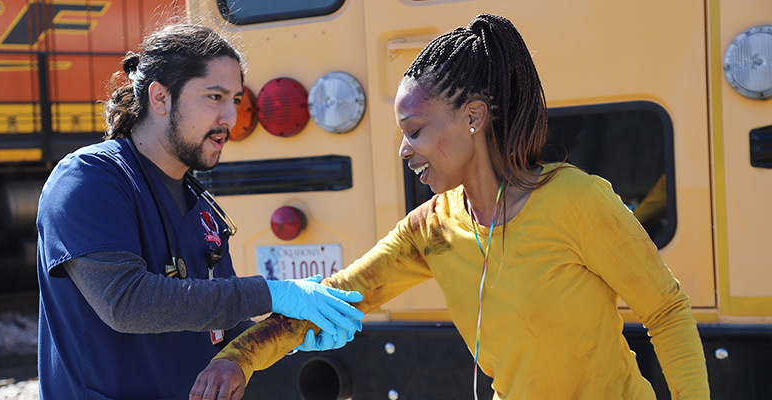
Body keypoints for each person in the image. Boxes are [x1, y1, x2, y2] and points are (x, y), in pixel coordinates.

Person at [190, 14, 709, 400]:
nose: (403, 150)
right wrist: (239, 359)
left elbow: (666, 310)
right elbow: (335, 297)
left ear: (473, 117)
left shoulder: (576, 200)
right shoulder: (431, 230)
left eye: (415, 131)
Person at [36, 24, 363, 400]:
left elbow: (225, 327)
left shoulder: (203, 208)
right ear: (159, 97)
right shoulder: (88, 180)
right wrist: (273, 292)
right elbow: (125, 302)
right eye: (214, 96)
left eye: (236, 100)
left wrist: (290, 332)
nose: (230, 117)